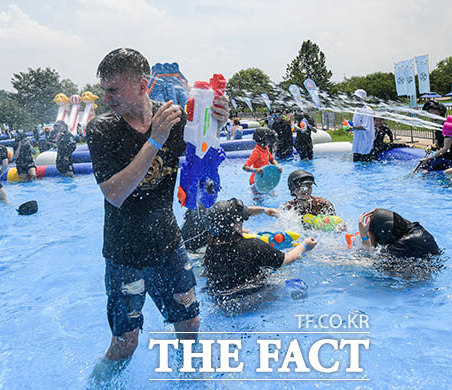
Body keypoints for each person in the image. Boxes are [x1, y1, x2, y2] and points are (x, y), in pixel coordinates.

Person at [86, 48, 229, 379]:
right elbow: (115, 194)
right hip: (125, 254)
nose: (105, 98)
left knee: (190, 324)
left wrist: (215, 120)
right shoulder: (102, 130)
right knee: (125, 344)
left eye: (113, 90)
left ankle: (187, 381)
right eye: (104, 89)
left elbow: (203, 156)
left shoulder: (173, 120)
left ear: (142, 85)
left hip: (168, 244)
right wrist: (155, 141)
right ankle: (96, 384)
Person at [203, 198, 317, 298]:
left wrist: (263, 210)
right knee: (297, 285)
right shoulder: (253, 245)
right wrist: (305, 245)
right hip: (251, 299)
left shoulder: (211, 249)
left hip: (220, 301)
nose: (242, 223)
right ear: (235, 223)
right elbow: (286, 260)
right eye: (241, 219)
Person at [357, 208, 440, 279]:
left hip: (415, 281)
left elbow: (370, 259)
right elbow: (390, 220)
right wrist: (379, 214)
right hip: (432, 267)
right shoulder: (415, 228)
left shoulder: (400, 246)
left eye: (369, 232)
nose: (368, 233)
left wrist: (363, 235)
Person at [418, 100, 452, 171]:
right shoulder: (438, 127)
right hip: (441, 157)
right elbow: (436, 144)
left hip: (450, 160)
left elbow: (446, 148)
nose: (429, 111)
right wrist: (430, 147)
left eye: (431, 109)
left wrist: (428, 158)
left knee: (426, 171)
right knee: (422, 167)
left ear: (439, 111)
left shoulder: (448, 126)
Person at [351, 89, 376, 162]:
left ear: (363, 99)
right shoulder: (356, 110)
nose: (355, 100)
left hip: (366, 141)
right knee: (356, 162)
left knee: (365, 163)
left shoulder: (367, 110)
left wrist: (352, 128)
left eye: (358, 98)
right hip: (357, 141)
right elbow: (355, 124)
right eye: (355, 98)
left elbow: (365, 127)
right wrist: (349, 126)